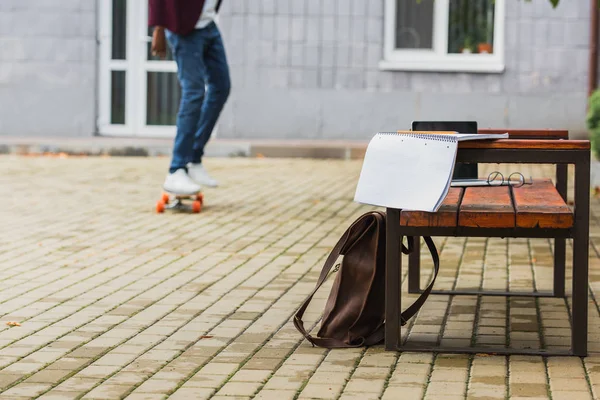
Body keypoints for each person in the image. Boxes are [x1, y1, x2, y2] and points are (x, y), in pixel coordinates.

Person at [149, 0, 230, 194]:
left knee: (221, 87)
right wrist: (159, 28)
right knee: (193, 93)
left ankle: (193, 158)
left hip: (208, 25)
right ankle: (176, 169)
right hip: (184, 29)